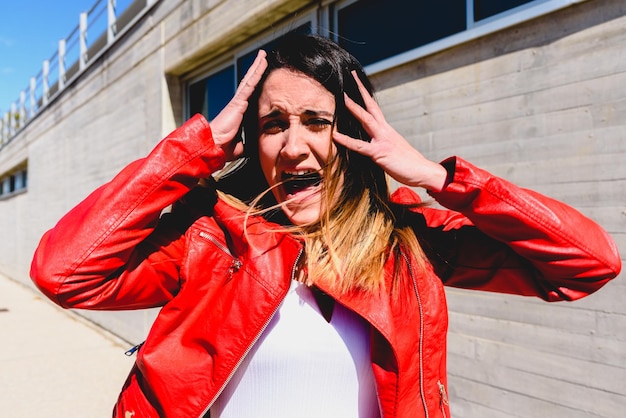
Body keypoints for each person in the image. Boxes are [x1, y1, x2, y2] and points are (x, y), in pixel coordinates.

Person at [30, 34, 621, 418]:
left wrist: (437, 179)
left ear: (358, 139)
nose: (294, 147)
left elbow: (587, 264)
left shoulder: (406, 242)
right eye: (273, 124)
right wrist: (191, 153)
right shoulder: (210, 236)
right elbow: (65, 273)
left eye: (318, 121)